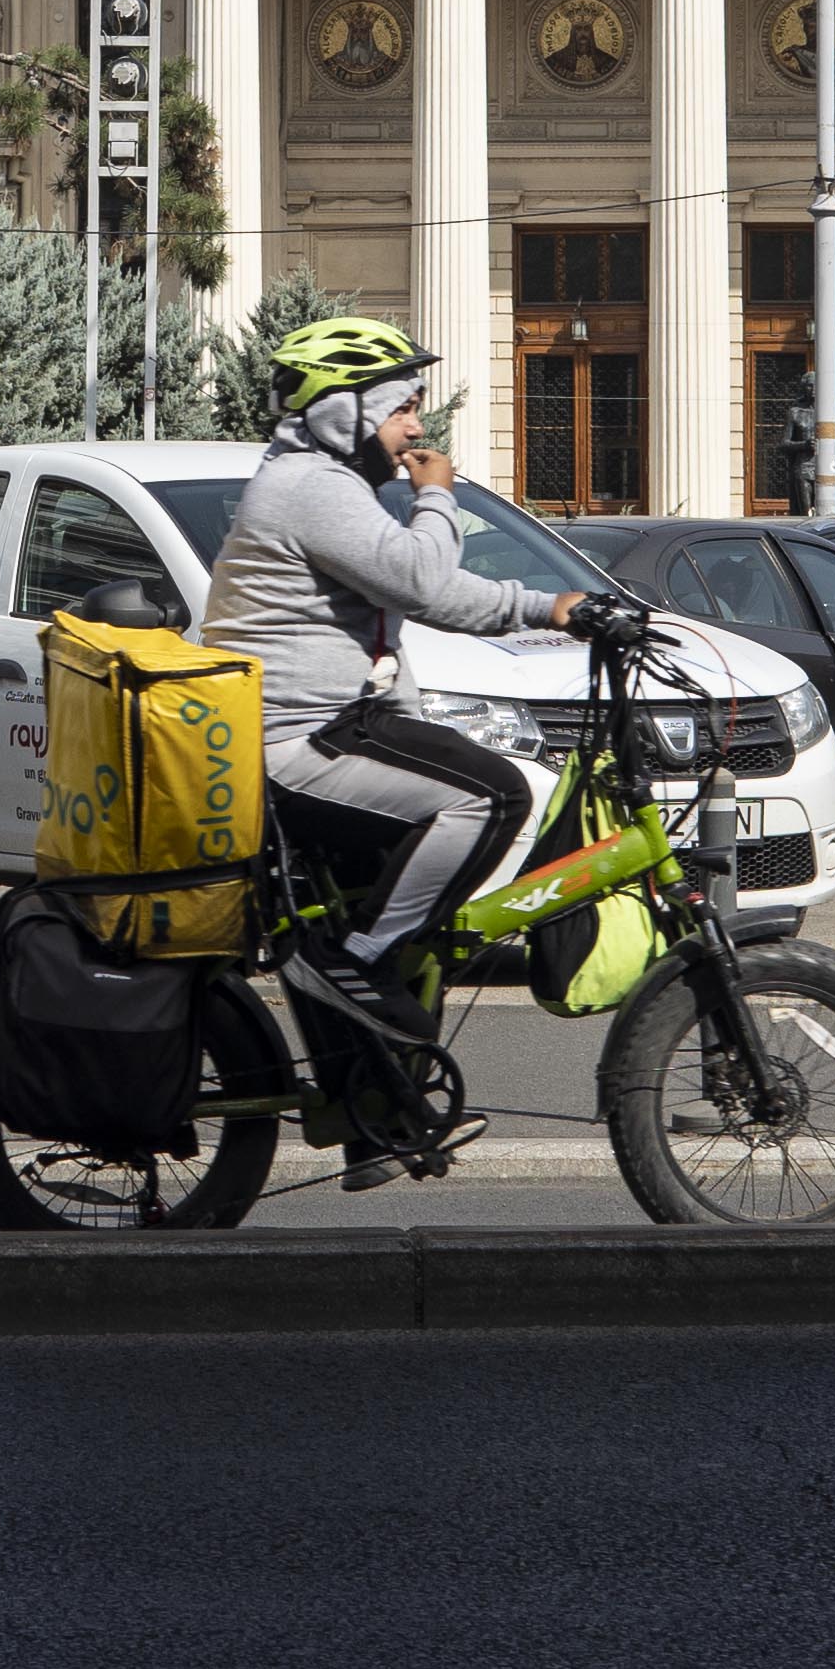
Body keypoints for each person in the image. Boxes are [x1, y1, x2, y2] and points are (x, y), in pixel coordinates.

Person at [197, 313, 616, 1179]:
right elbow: (426, 582)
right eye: (402, 410)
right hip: (296, 739)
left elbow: (401, 603)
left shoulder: (320, 484)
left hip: (323, 722)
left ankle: (376, 1119)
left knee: (388, 874)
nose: (418, 427)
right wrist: (447, 504)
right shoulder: (311, 486)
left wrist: (547, 605)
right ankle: (365, 965)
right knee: (490, 795)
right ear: (341, 413)